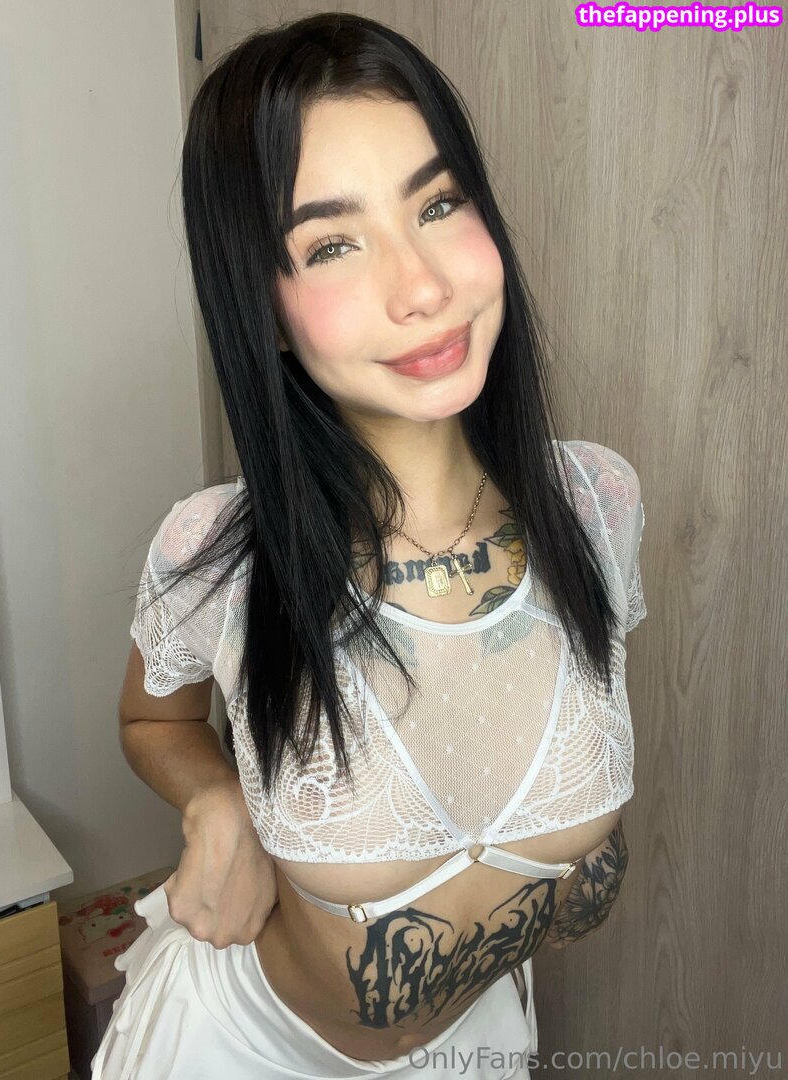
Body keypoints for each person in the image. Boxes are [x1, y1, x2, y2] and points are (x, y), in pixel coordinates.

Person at [92, 11, 647, 1079]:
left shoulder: (597, 506)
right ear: (262, 306)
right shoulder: (217, 558)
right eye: (332, 243)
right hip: (237, 1046)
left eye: (439, 203)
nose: (424, 287)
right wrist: (214, 796)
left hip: (479, 1046)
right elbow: (148, 716)